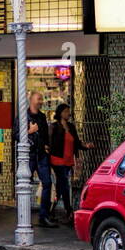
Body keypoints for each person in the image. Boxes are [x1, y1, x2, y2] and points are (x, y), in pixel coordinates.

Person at [48, 103, 92, 223]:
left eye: (69, 111)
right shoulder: (54, 127)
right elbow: (50, 143)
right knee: (65, 185)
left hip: (68, 161)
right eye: (66, 111)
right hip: (57, 160)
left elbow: (77, 142)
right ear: (61, 113)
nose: (69, 113)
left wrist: (86, 146)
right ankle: (69, 211)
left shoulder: (71, 127)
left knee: (60, 187)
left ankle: (50, 212)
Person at [26, 91, 55, 228]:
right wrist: (29, 131)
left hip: (42, 155)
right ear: (31, 100)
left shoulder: (42, 117)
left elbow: (44, 134)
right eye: (39, 99)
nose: (41, 101)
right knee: (25, 185)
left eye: (41, 99)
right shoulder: (23, 116)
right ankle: (24, 218)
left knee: (47, 183)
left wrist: (46, 145)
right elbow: (15, 134)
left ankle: (44, 216)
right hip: (29, 156)